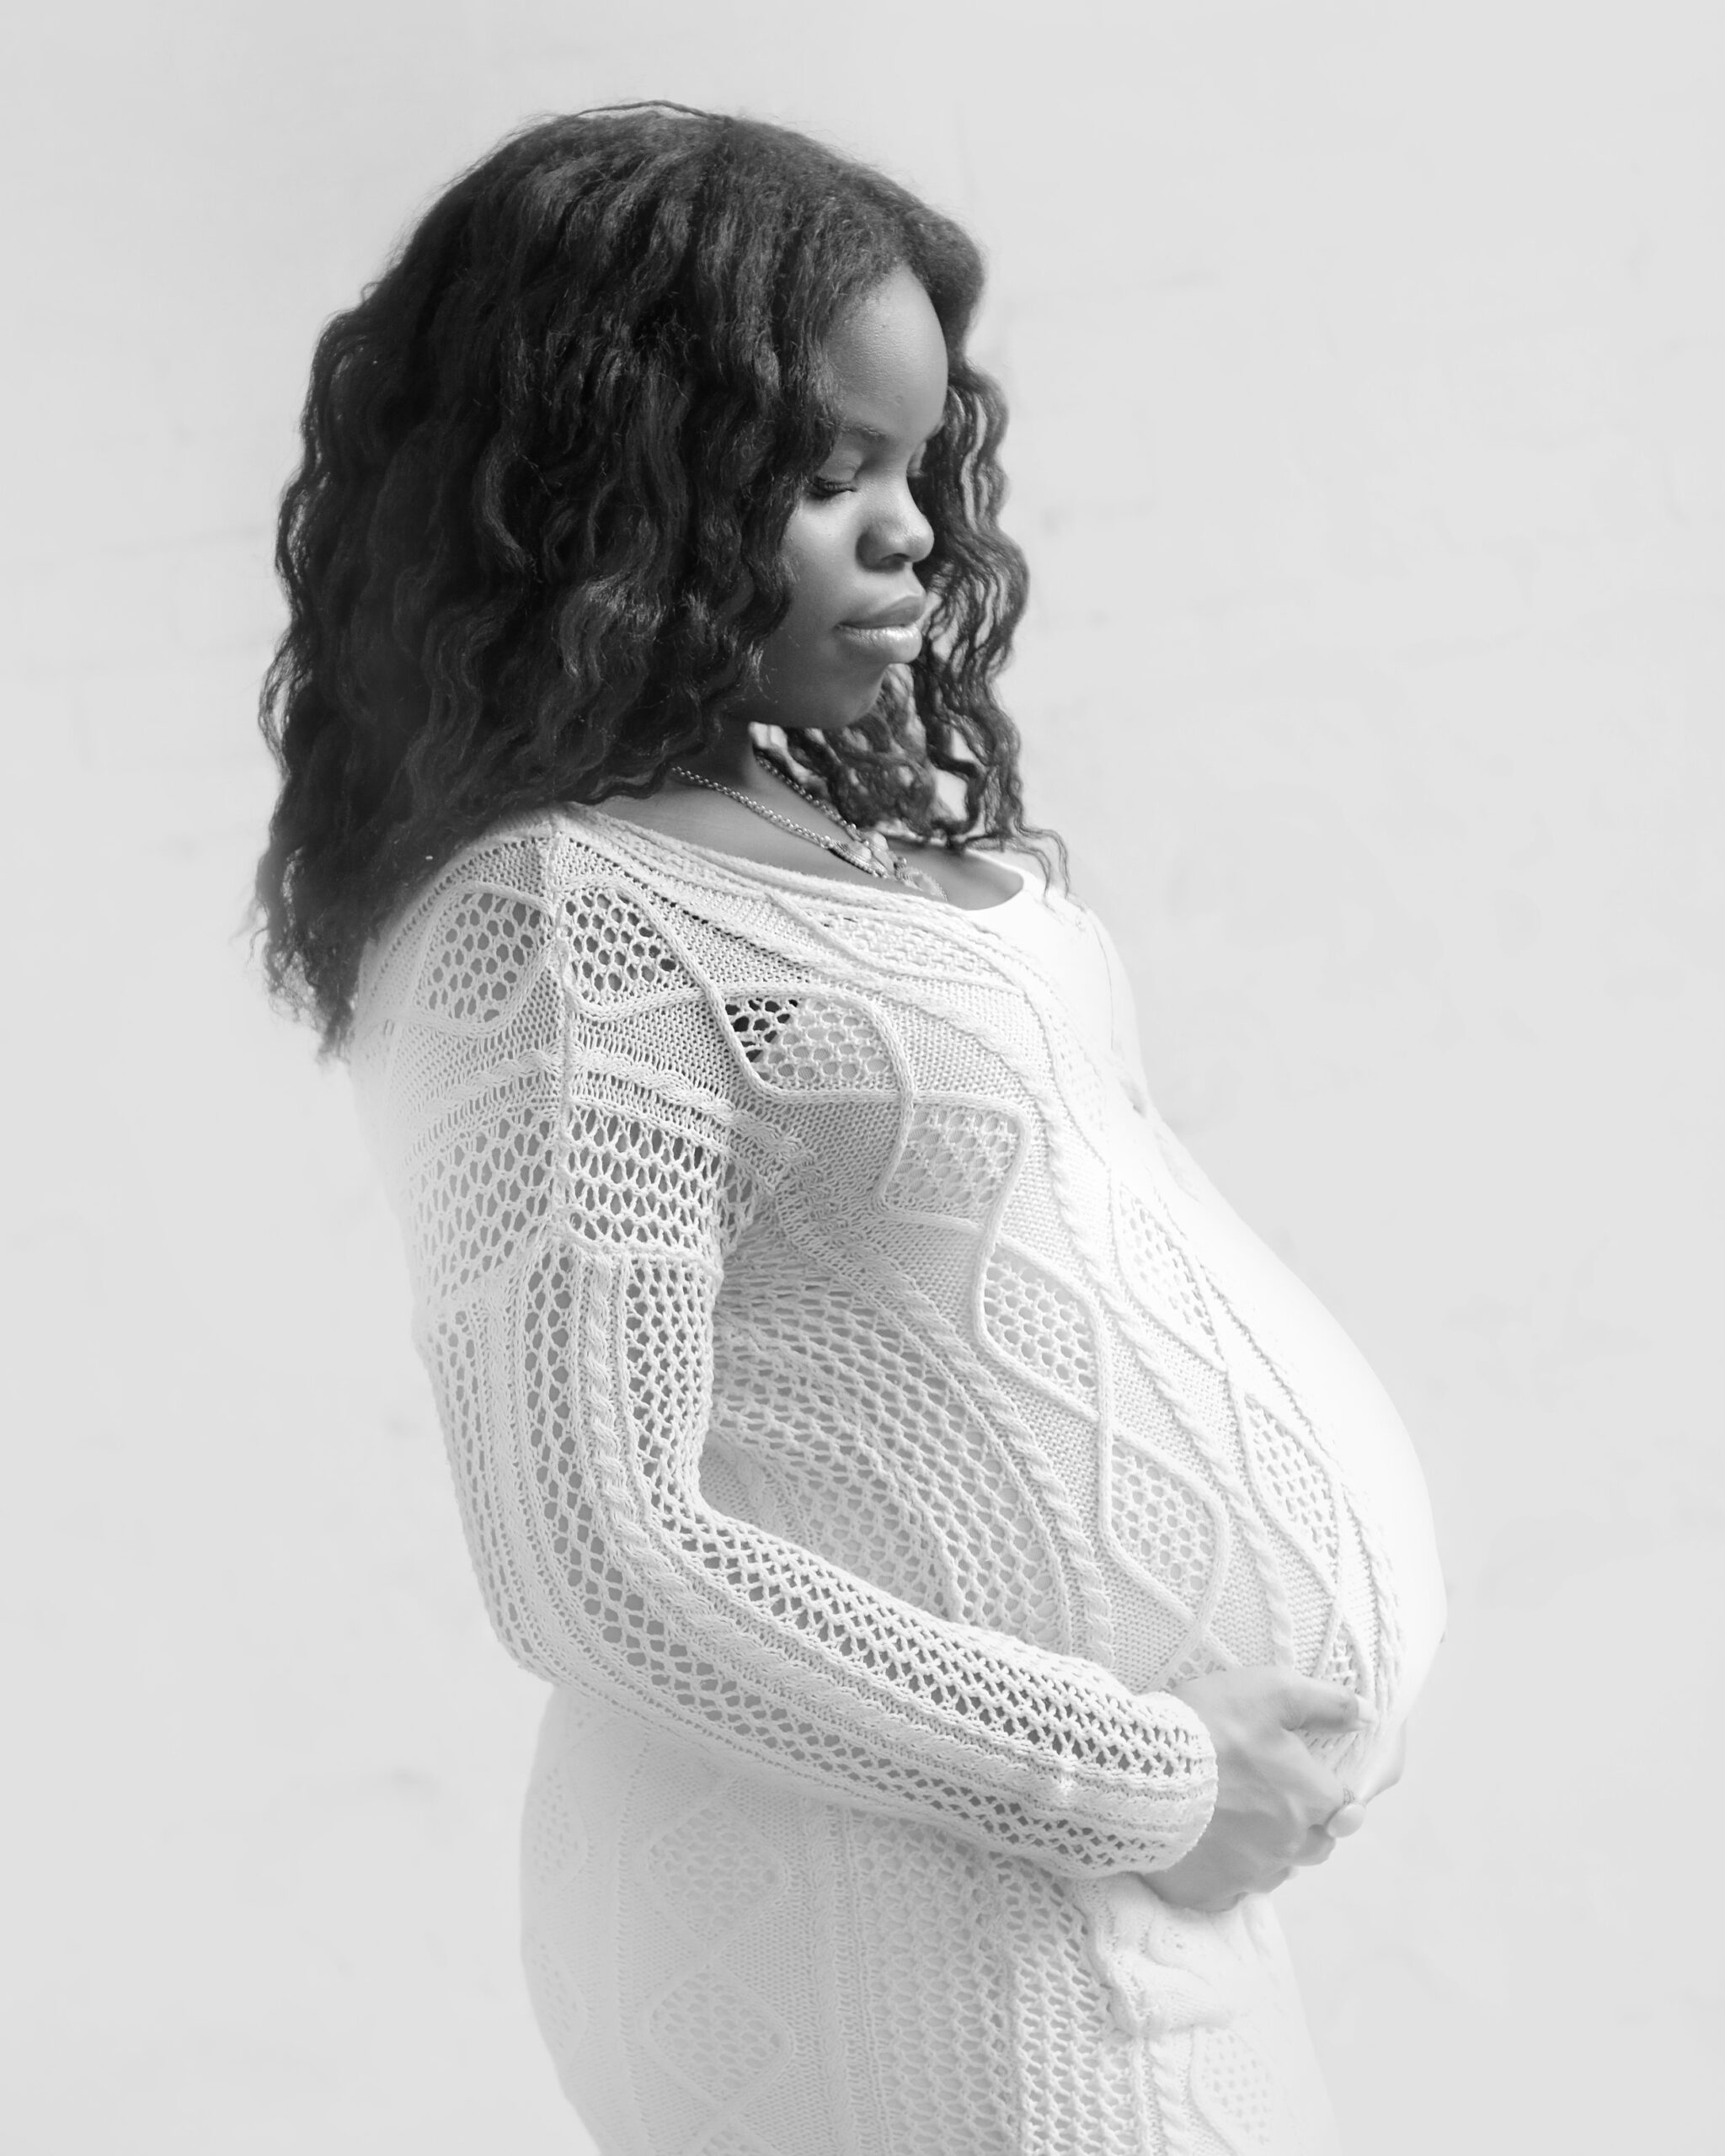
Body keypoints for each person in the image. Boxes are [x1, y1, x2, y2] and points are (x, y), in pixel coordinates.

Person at [254, 104, 1446, 2156]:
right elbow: (592, 1557)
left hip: (1079, 1899)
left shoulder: (811, 832)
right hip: (905, 1923)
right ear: (598, 494)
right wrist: (1145, 1774)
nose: (906, 530)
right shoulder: (566, 923)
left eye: (913, 464)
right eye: (822, 475)